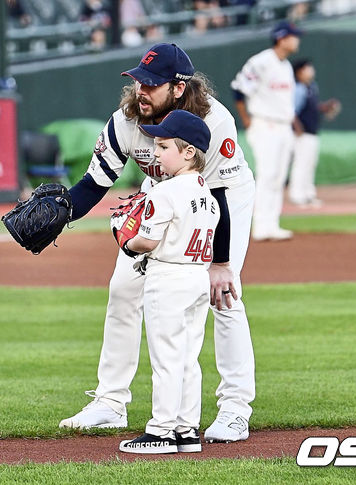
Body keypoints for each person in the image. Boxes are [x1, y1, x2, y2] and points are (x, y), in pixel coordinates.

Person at [59, 43, 256, 443]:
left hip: (220, 196)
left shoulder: (214, 121)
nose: (140, 91)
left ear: (179, 87)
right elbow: (94, 184)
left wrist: (219, 264)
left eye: (150, 84)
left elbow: (215, 197)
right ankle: (110, 402)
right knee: (123, 289)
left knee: (224, 294)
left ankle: (236, 408)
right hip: (163, 191)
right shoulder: (127, 119)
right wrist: (62, 212)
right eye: (137, 81)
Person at [117, 110, 219, 454]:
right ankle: (186, 431)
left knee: (166, 358)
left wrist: (123, 238)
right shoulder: (209, 197)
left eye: (163, 146)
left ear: (189, 152)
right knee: (188, 357)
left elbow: (146, 241)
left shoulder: (166, 191)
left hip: (169, 277)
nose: (155, 153)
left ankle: (160, 430)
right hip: (198, 277)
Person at [231, 20, 301, 241]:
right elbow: (239, 91)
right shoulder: (261, 61)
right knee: (267, 175)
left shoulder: (286, 66)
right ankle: (261, 225)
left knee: (279, 176)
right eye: (293, 36)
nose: (297, 40)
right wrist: (247, 121)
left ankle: (272, 223)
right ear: (282, 38)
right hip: (265, 123)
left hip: (283, 125)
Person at [289, 59, 341, 207]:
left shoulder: (312, 87)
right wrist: (297, 128)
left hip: (312, 132)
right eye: (307, 68)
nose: (311, 70)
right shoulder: (298, 88)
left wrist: (326, 107)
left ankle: (308, 194)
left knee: (310, 164)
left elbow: (314, 107)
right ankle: (297, 195)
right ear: (299, 72)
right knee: (301, 163)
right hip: (302, 134)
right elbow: (292, 110)